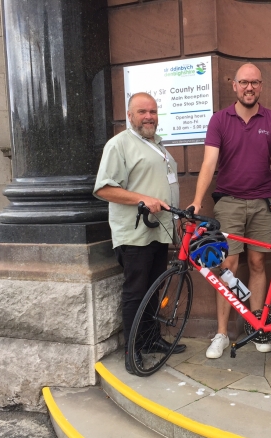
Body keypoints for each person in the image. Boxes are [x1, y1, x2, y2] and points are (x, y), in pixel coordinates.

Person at [189, 63, 271, 358]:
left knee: (259, 264)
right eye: (244, 82)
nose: (250, 88)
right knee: (229, 267)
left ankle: (257, 325)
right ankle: (222, 332)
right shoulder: (220, 120)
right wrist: (197, 200)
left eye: (255, 83)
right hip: (230, 203)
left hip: (263, 203)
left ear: (261, 86)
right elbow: (209, 164)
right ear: (234, 85)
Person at [94, 92, 186, 375]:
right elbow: (104, 189)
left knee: (153, 288)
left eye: (153, 111)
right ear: (130, 116)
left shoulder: (157, 145)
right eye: (142, 111)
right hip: (135, 234)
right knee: (136, 292)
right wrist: (142, 199)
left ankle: (150, 338)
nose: (149, 117)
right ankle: (132, 351)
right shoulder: (119, 144)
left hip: (160, 230)